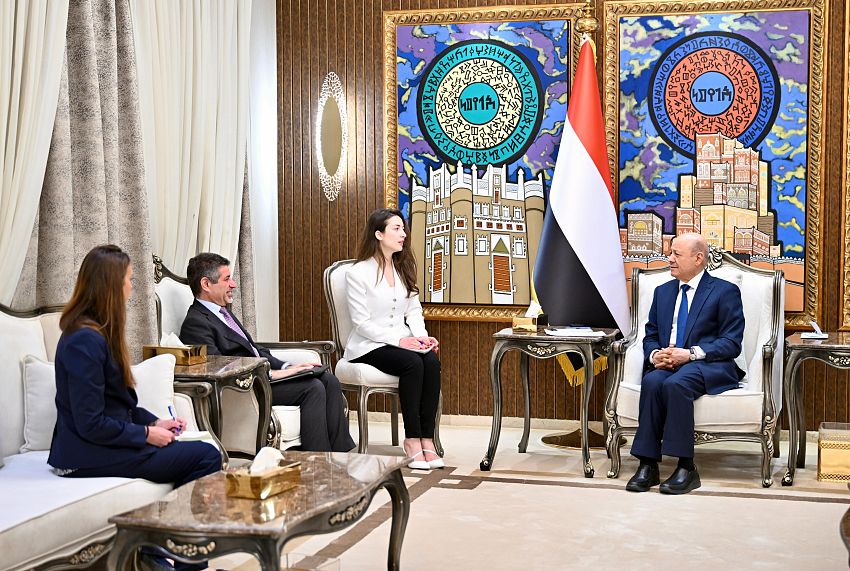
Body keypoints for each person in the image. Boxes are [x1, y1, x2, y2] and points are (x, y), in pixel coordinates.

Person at [48, 245, 220, 571]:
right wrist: (145, 435)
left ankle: (160, 550)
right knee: (206, 456)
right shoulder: (84, 340)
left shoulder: (97, 332)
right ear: (111, 286)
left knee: (201, 452)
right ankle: (180, 560)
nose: (132, 285)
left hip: (101, 444)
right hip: (84, 454)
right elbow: (89, 423)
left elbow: (119, 405)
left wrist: (155, 423)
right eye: (128, 278)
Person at [180, 253, 354, 453]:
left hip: (262, 378)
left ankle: (341, 455)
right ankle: (317, 459)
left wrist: (289, 367)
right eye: (227, 279)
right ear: (206, 284)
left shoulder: (222, 312)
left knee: (329, 380)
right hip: (247, 387)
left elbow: (254, 349)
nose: (233, 284)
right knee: (313, 388)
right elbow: (218, 368)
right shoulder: (196, 323)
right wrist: (272, 373)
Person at [627, 232, 745, 495]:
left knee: (677, 384)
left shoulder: (724, 292)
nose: (669, 258)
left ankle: (686, 467)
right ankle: (648, 464)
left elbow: (731, 342)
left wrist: (690, 354)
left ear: (698, 258)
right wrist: (655, 355)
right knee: (652, 381)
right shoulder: (663, 292)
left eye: (676, 254)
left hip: (708, 364)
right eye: (670, 253)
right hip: (670, 363)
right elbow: (651, 335)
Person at [344, 208, 443, 470]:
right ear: (379, 234)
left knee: (430, 361)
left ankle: (427, 439)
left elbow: (414, 311)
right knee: (412, 363)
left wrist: (422, 339)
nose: (403, 234)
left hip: (402, 340)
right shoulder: (357, 273)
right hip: (368, 345)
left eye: (403, 228)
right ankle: (412, 439)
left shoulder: (404, 268)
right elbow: (361, 323)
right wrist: (400, 342)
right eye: (396, 229)